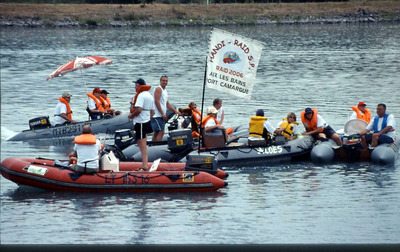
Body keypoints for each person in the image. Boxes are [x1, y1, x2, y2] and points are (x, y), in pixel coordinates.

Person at [129, 78, 154, 171]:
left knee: (142, 144)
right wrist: (149, 119)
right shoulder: (149, 95)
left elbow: (139, 109)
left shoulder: (141, 95)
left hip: (141, 122)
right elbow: (153, 111)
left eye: (136, 85)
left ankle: (145, 165)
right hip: (146, 121)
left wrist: (131, 115)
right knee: (142, 143)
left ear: (139, 86)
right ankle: (144, 164)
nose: (135, 87)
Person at [151, 75, 181, 142]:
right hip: (156, 115)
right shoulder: (158, 89)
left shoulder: (165, 91)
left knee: (156, 132)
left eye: (166, 81)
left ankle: (153, 145)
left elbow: (167, 104)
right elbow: (156, 101)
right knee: (161, 132)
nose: (165, 82)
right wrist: (162, 114)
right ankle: (157, 146)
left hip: (160, 115)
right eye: (163, 80)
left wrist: (175, 111)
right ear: (160, 81)